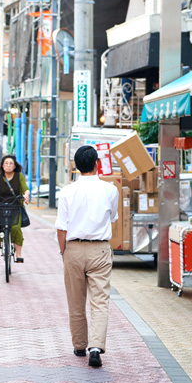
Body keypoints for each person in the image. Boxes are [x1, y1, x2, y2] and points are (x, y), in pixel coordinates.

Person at [56, 145, 119, 368]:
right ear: (96, 164)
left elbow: (61, 227)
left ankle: (80, 345)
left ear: (75, 166)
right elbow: (113, 218)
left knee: (75, 300)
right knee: (100, 301)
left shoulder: (66, 191)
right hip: (100, 248)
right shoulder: (110, 190)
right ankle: (95, 347)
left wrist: (64, 252)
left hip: (73, 248)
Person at [0, 154, 30, 262]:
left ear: (14, 166)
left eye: (11, 163)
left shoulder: (19, 177)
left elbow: (26, 189)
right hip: (1, 207)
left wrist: (26, 195)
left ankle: (18, 254)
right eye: (6, 163)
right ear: (2, 166)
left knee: (16, 228)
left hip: (15, 207)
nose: (8, 165)